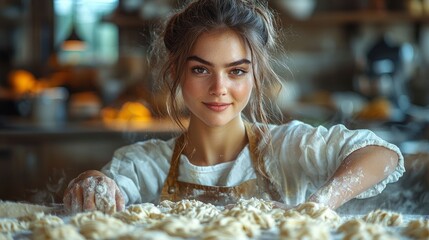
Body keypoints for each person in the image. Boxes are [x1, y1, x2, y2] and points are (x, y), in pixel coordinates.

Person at [63, 0, 405, 213]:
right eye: (200, 69)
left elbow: (381, 154)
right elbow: (107, 186)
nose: (219, 89)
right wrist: (94, 181)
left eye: (237, 71)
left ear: (256, 76)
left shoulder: (288, 148)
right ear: (175, 72)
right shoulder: (146, 164)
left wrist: (318, 204)